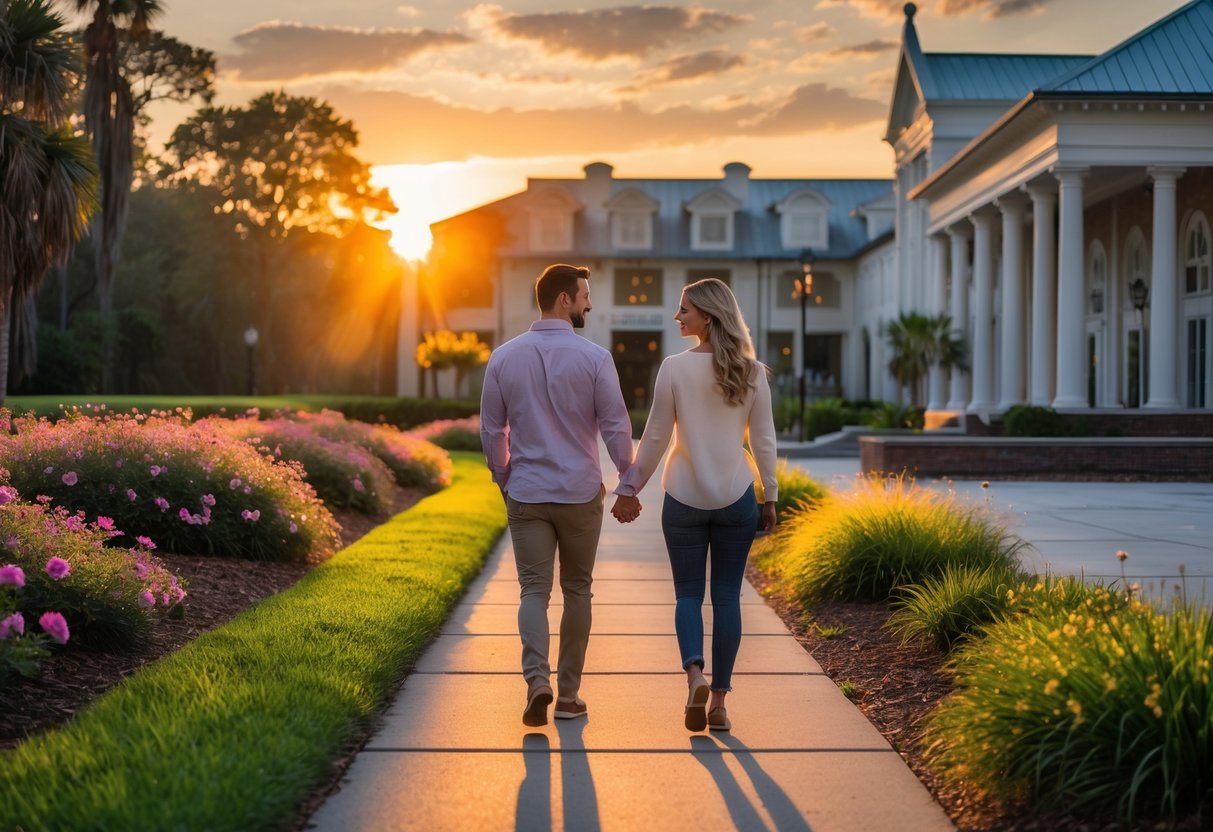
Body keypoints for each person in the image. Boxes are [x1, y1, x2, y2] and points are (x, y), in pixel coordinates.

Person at [611, 278, 777, 733]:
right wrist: (772, 494)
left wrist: (629, 487)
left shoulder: (673, 368)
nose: (677, 317)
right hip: (736, 496)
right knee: (726, 597)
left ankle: (695, 675)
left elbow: (657, 437)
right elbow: (763, 440)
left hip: (683, 497)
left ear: (707, 315)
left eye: (684, 309)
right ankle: (719, 702)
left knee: (687, 594)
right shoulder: (753, 371)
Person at [480, 263, 639, 728]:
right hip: (578, 494)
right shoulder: (595, 358)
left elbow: (493, 429)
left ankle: (537, 683)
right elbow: (615, 425)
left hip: (527, 492)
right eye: (585, 295)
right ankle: (568, 696)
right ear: (564, 299)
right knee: (577, 590)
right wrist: (628, 481)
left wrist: (504, 476)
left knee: (533, 590)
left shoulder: (504, 357)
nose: (590, 303)